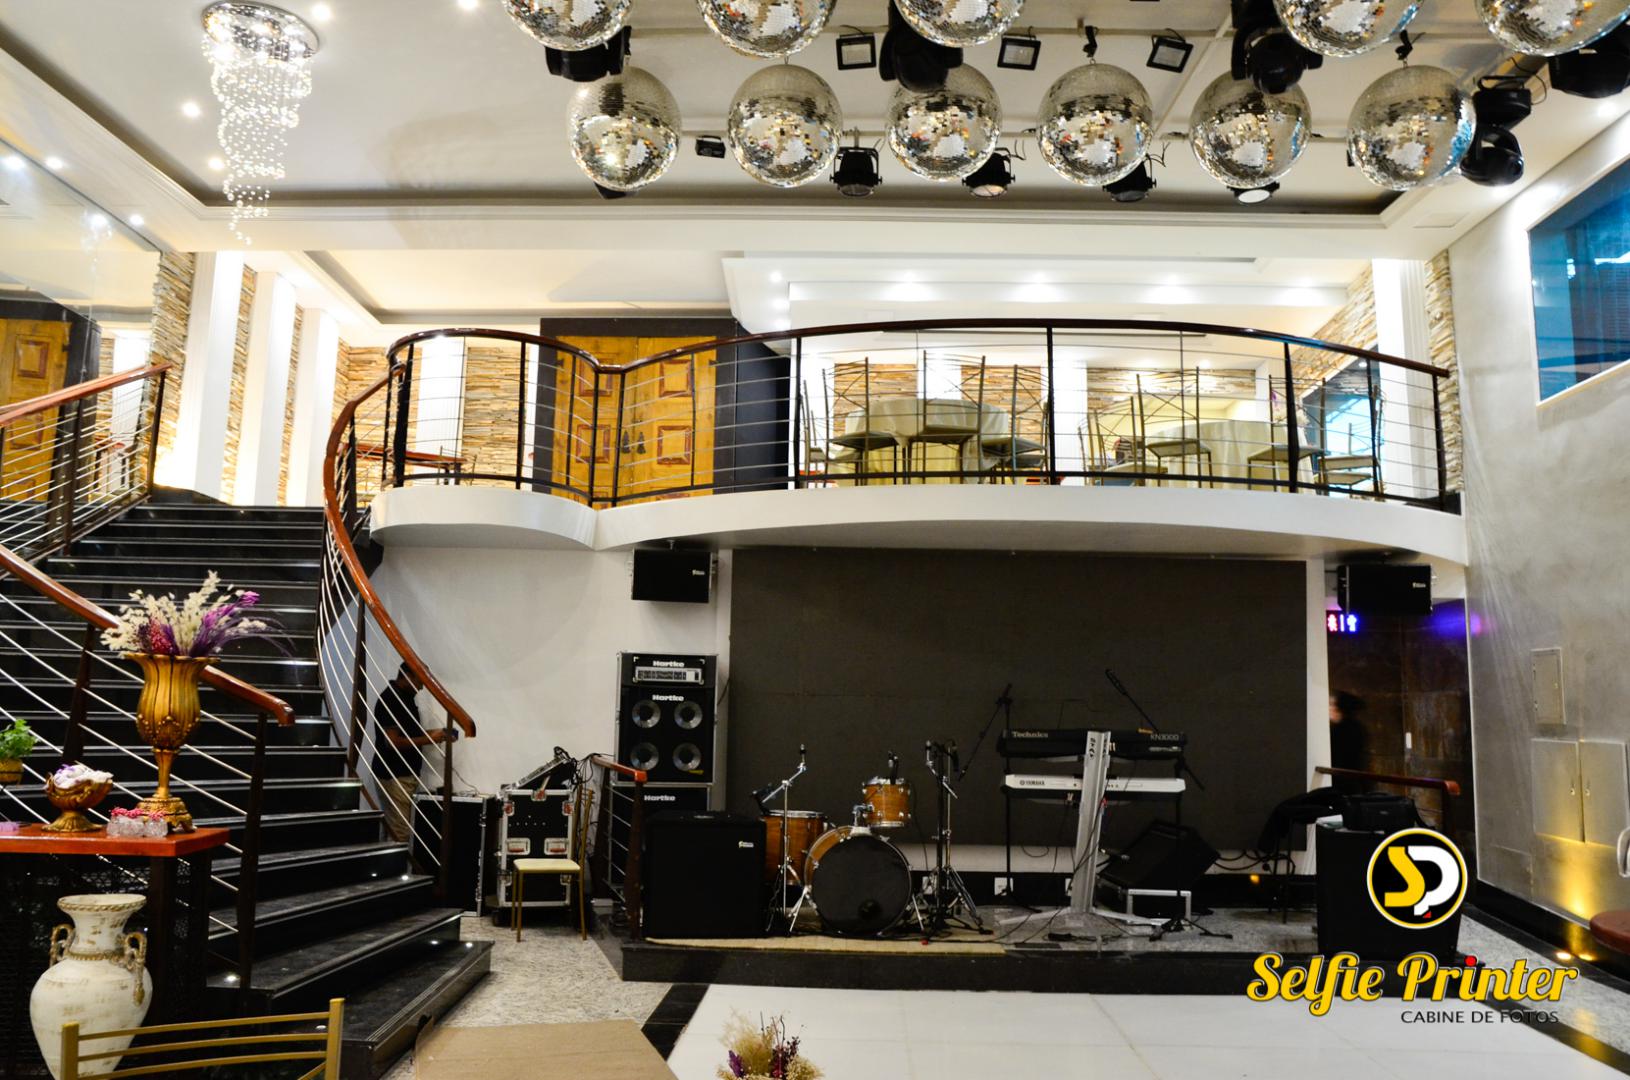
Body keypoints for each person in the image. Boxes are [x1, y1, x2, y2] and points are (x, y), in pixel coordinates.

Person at [373, 662, 457, 844]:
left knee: (395, 828)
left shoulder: (404, 697)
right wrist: (430, 739)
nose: (422, 687)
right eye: (420, 681)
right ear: (408, 676)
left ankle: (388, 860)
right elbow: (393, 742)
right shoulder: (392, 699)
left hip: (400, 774)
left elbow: (408, 734)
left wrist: (435, 734)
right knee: (400, 832)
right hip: (394, 774)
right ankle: (394, 862)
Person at [1328, 690, 1368, 793]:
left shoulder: (1342, 729)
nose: (1330, 708)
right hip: (1350, 780)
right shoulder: (1355, 727)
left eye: (1332, 705)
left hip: (1344, 781)